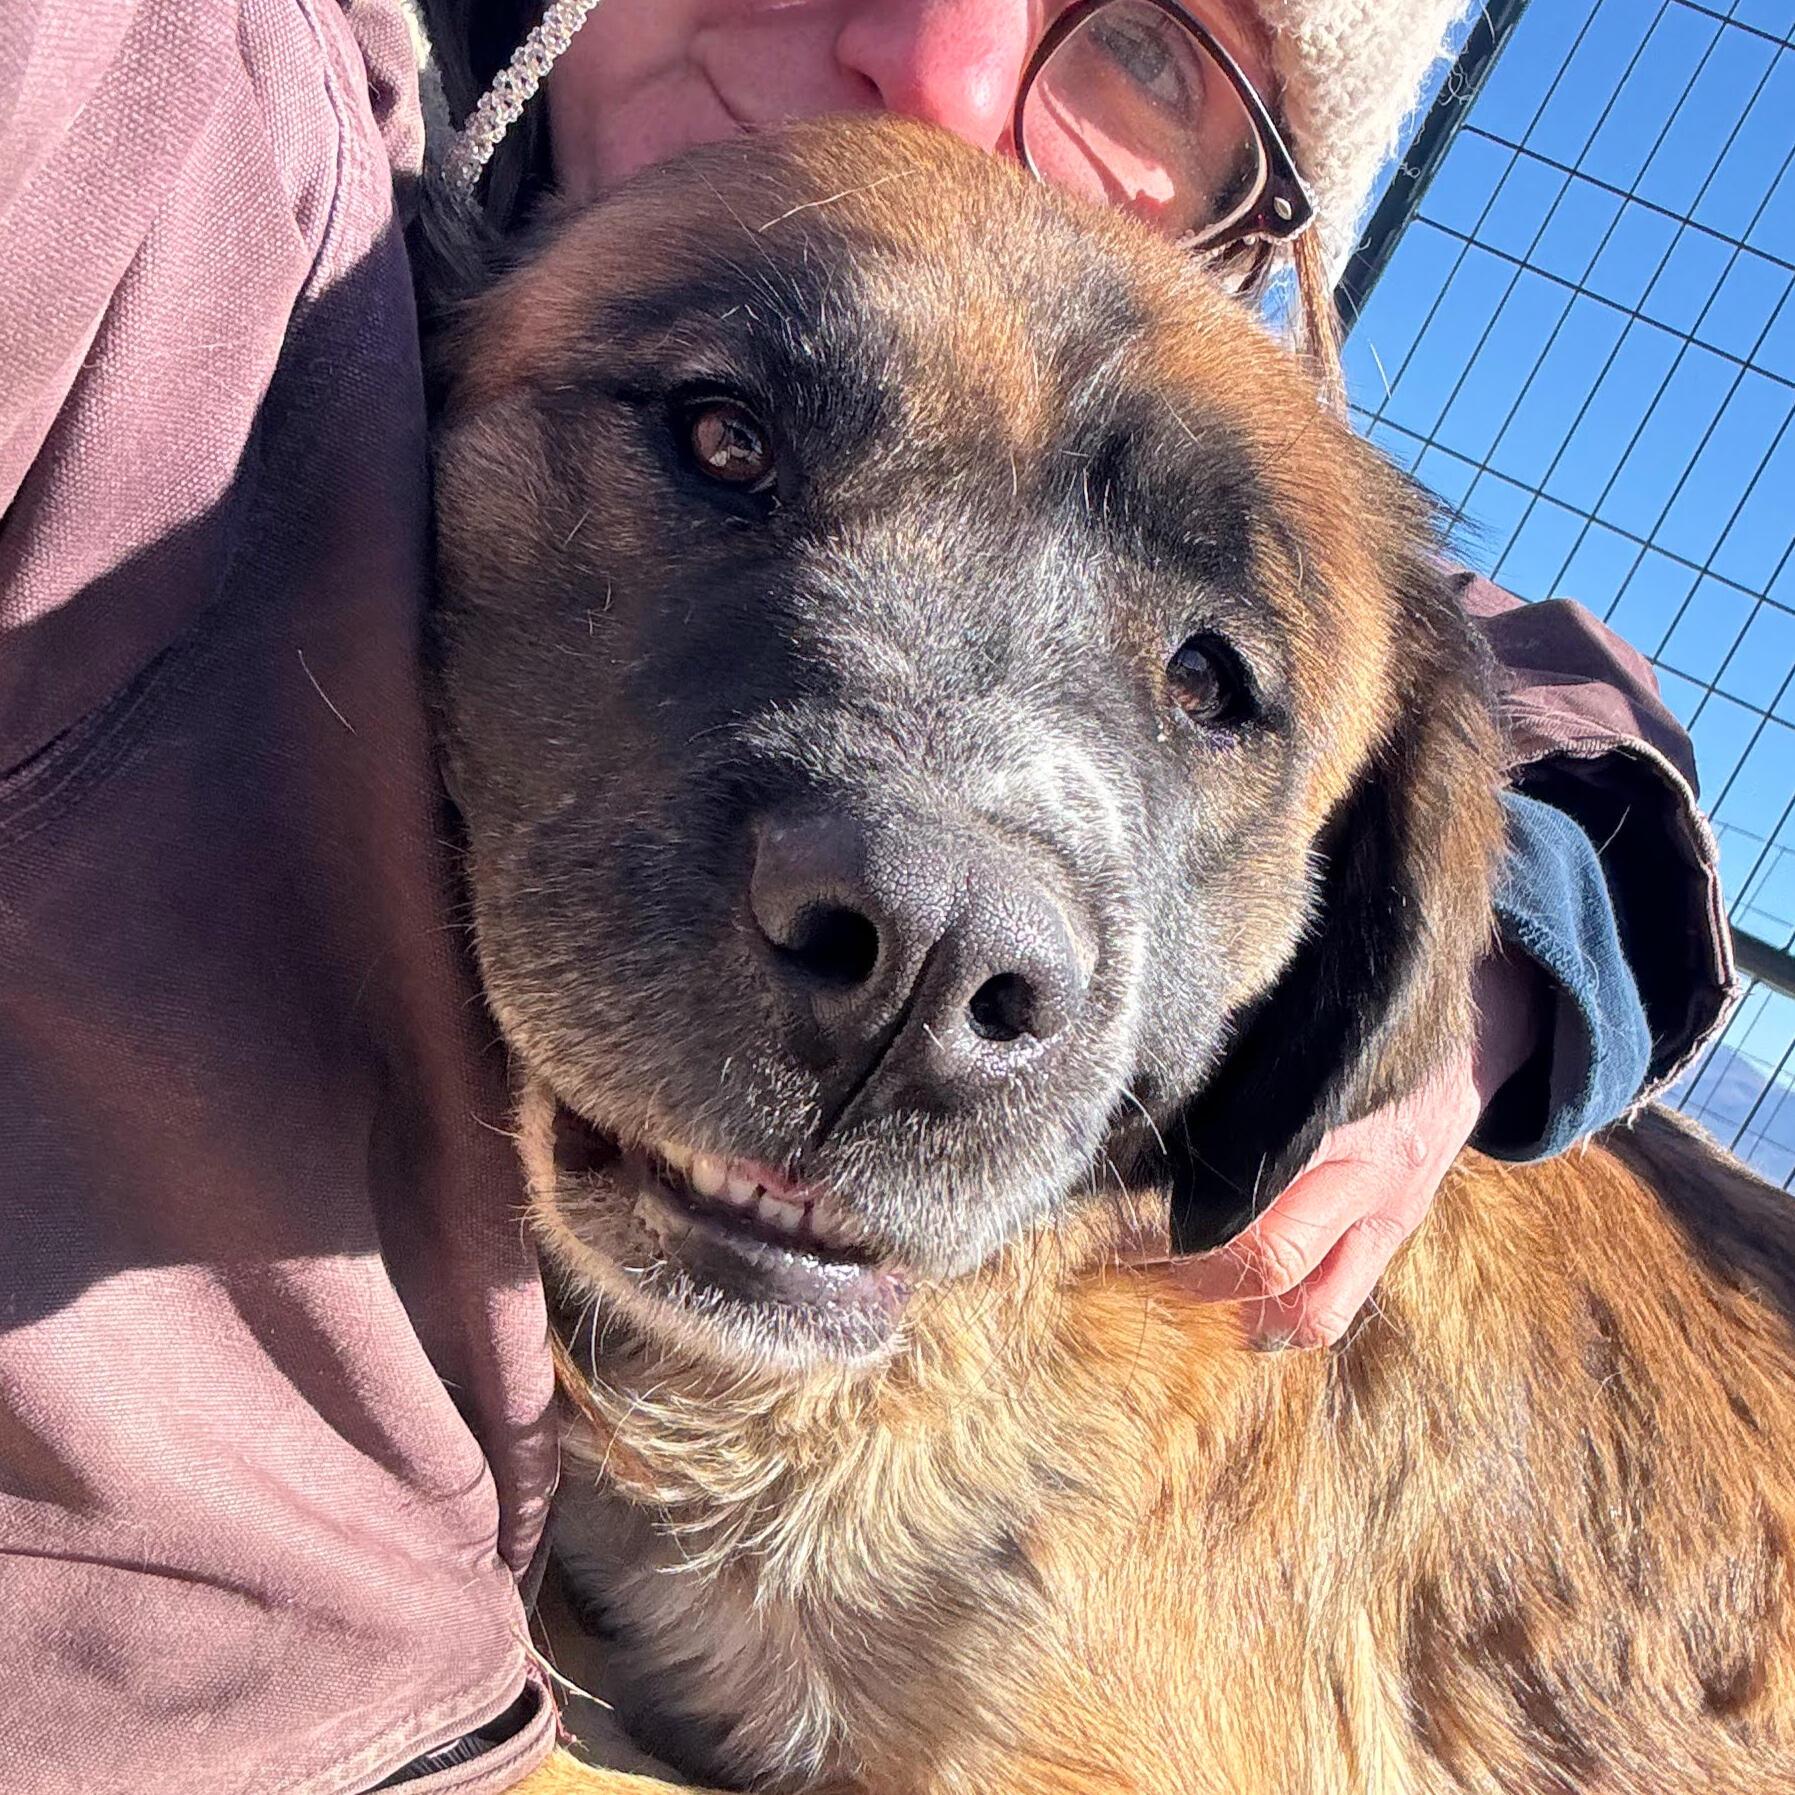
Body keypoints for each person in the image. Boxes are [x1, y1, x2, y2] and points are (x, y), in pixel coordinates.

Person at [0, 2, 1733, 1790]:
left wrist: (1510, 926)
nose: (936, 67)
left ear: (1234, 237)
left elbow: (1463, 677)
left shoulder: (1279, 567)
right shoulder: (193, 131)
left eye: (1145, 35)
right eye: (726, 444)